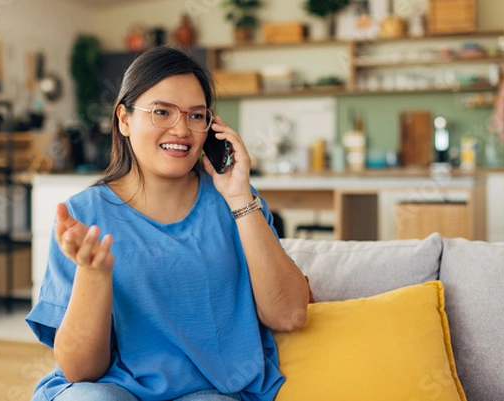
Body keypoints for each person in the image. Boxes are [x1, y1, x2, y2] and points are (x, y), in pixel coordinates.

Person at [26, 46, 311, 401]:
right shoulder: (82, 216)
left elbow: (291, 315)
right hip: (109, 387)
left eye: (196, 116)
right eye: (162, 112)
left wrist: (239, 198)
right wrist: (93, 273)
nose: (181, 129)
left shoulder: (236, 202)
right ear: (124, 119)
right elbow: (80, 371)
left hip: (210, 391)